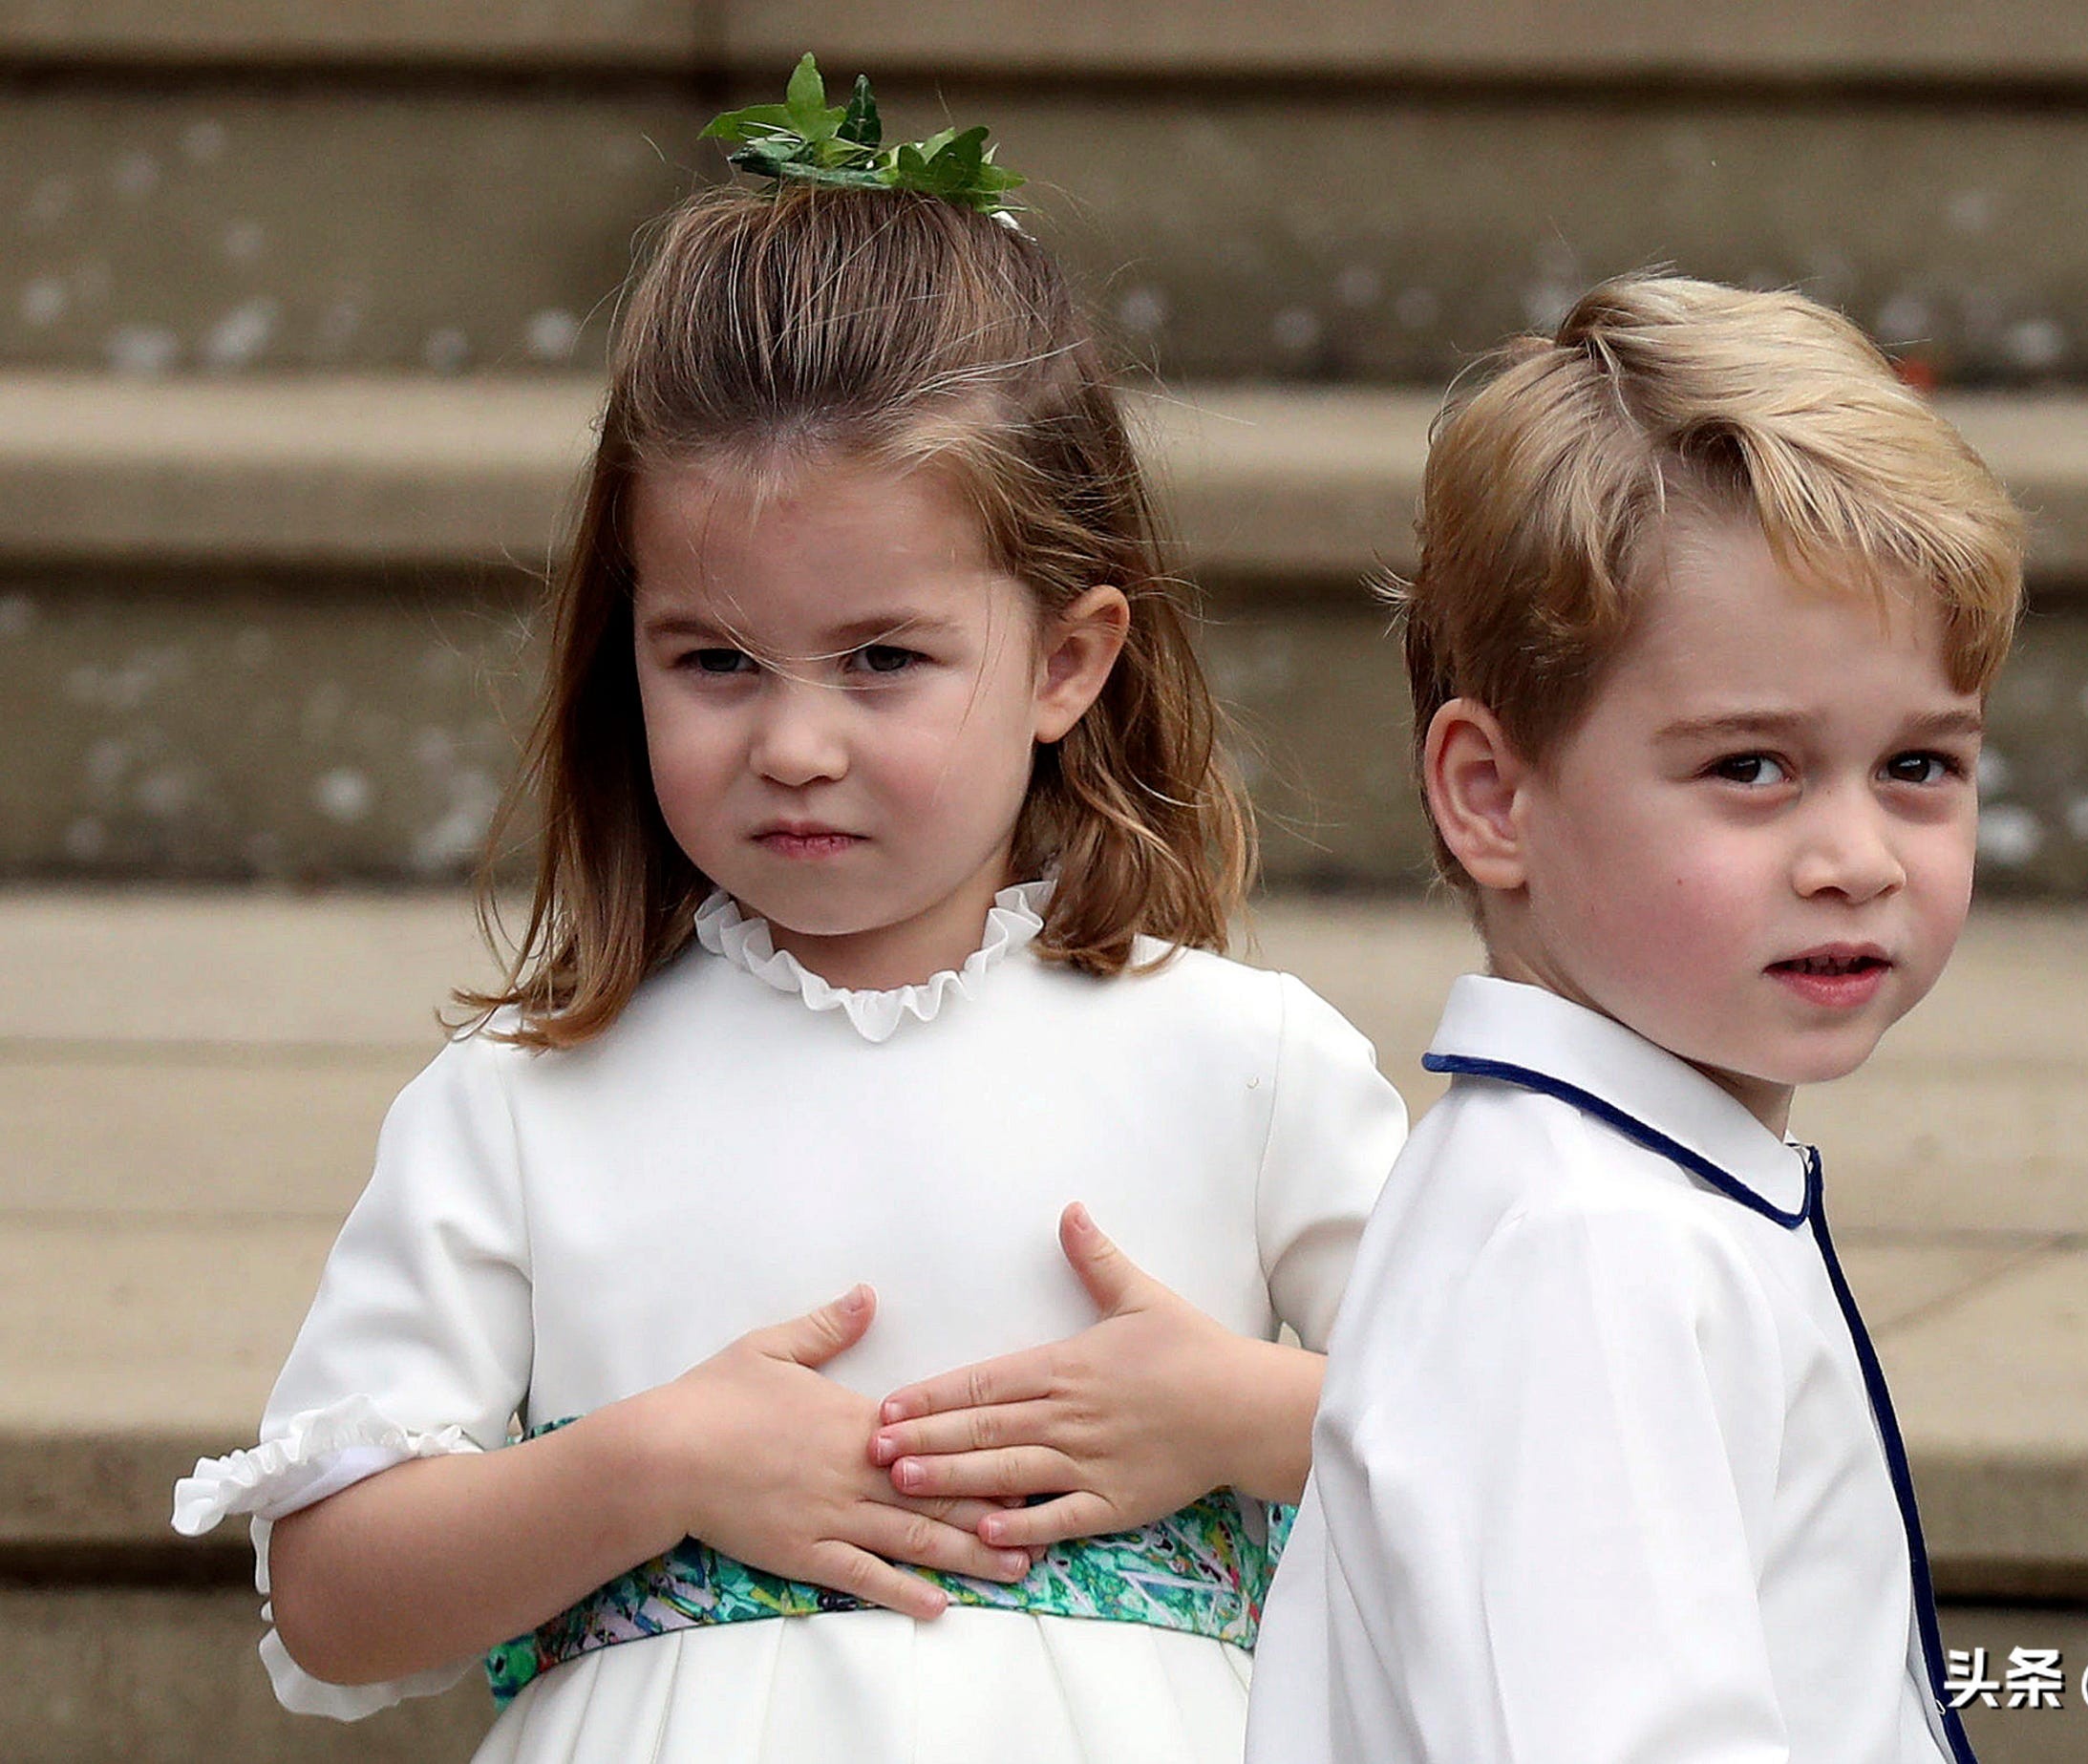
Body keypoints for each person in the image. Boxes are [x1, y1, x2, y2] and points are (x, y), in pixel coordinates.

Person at [171, 66, 1407, 1764]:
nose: (795, 744)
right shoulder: (529, 1108)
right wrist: (653, 1462)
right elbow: (331, 1600)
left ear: (1067, 660)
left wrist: (1252, 1415)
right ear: (631, 651)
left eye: (884, 658)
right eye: (716, 661)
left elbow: (1521, 1444)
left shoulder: (1243, 1063)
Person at [1244, 274, 2026, 1763]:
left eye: (1919, 768)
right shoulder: (1590, 1244)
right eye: (1751, 768)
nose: (1856, 857)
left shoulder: (1617, 1191)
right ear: (1492, 795)